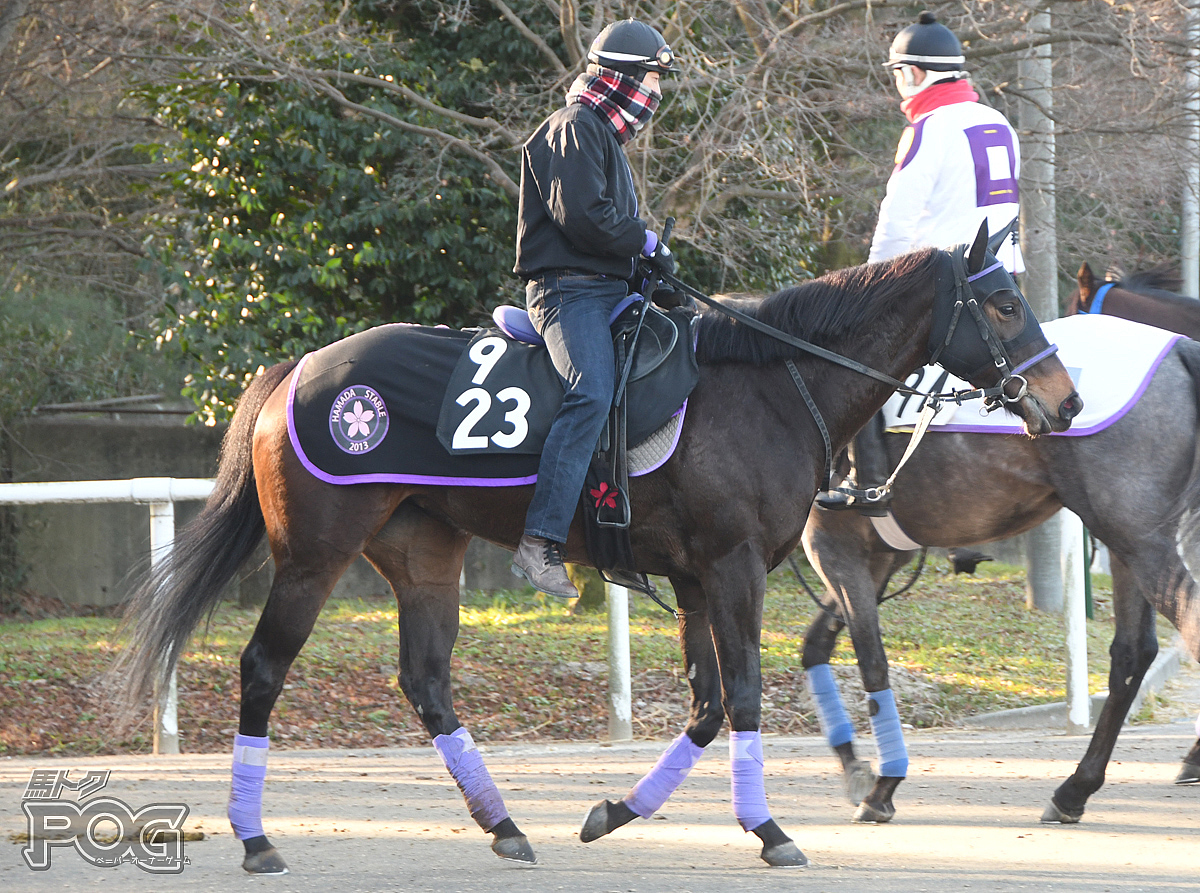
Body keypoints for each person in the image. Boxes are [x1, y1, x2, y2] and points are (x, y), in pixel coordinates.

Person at [817, 10, 1023, 513]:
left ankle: (864, 480)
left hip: (945, 284)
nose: (897, 87)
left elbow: (896, 220)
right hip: (1005, 280)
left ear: (912, 73)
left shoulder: (929, 128)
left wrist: (863, 288)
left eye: (897, 75)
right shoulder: (999, 122)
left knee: (853, 359)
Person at [509, 19, 677, 597]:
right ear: (625, 77)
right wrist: (643, 240)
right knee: (593, 392)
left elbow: (609, 226)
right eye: (652, 80)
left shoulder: (603, 137)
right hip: (566, 293)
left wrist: (651, 266)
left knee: (653, 386)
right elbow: (583, 218)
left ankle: (617, 538)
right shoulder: (572, 127)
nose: (655, 94)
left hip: (608, 290)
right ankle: (540, 542)